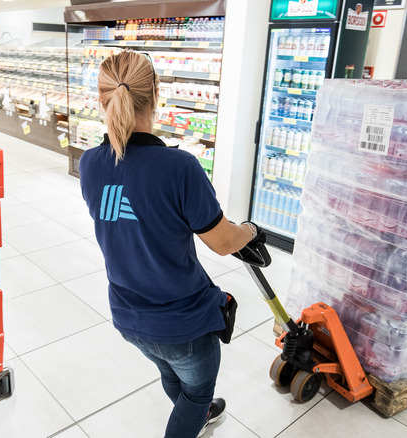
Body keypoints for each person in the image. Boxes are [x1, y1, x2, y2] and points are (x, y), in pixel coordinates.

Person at [79, 51, 258, 438]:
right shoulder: (179, 168)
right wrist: (250, 231)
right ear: (156, 94)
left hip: (128, 316)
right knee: (196, 394)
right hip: (184, 322)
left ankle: (198, 413)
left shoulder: (90, 163)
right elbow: (225, 242)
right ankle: (197, 411)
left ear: (101, 99)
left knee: (168, 371)